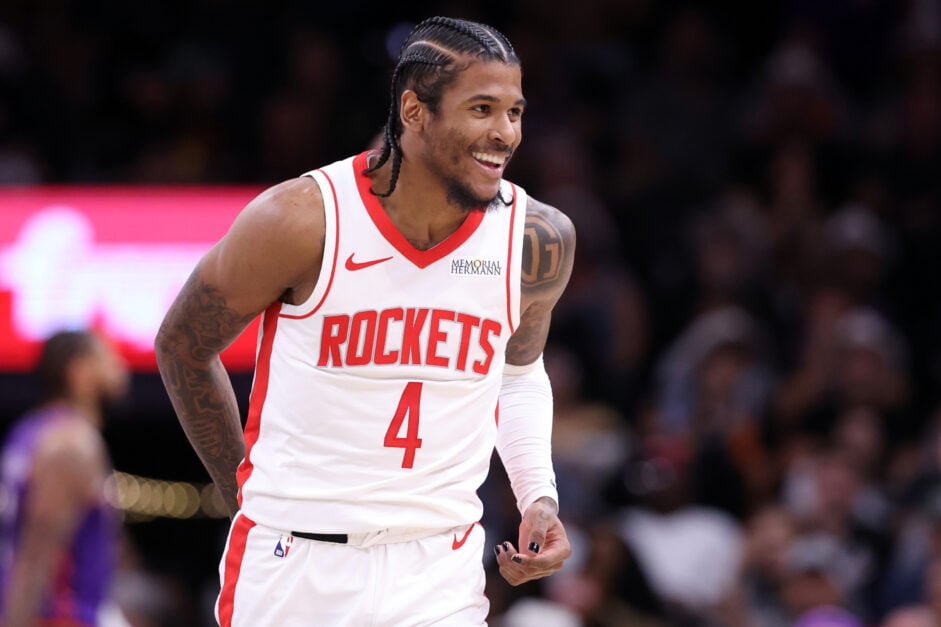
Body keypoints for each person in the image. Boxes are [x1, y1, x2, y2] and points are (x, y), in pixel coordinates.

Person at [154, 15, 576, 626]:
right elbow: (183, 344)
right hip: (298, 565)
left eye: (515, 112)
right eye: (481, 108)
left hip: (440, 567)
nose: (505, 133)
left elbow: (517, 373)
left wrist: (539, 493)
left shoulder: (538, 239)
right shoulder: (302, 219)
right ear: (414, 111)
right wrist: (240, 488)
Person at [0, 330, 130, 626]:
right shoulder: (71, 445)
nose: (120, 365)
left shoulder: (31, 431)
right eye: (107, 357)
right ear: (79, 371)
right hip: (59, 617)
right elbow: (36, 557)